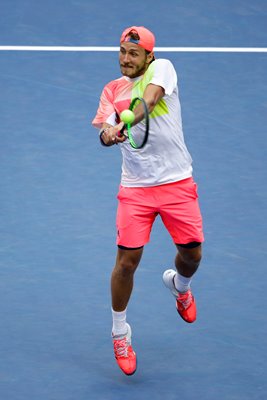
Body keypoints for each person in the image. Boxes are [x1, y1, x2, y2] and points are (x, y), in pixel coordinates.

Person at [92, 26, 204, 376]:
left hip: (176, 182)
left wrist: (130, 119)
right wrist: (109, 135)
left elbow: (151, 99)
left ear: (149, 56)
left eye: (133, 53)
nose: (126, 59)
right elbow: (104, 133)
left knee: (192, 255)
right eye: (122, 52)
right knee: (126, 263)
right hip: (136, 188)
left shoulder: (163, 68)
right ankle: (119, 332)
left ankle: (179, 287)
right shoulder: (112, 90)